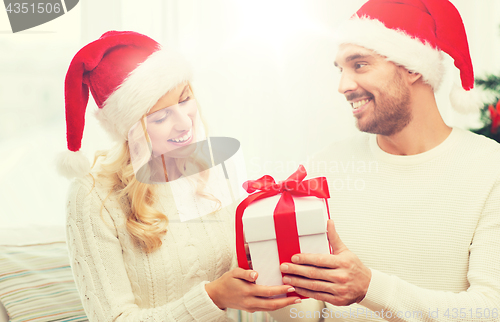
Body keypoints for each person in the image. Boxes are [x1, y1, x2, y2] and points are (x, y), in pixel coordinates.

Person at [268, 0, 500, 321]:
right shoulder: (326, 166)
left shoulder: (491, 169)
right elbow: (304, 310)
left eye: (359, 65)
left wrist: (370, 288)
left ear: (413, 67)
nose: (343, 85)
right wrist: (276, 280)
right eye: (340, 69)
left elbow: (490, 309)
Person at [58, 30, 300, 321]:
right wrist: (213, 297)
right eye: (160, 117)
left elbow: (242, 282)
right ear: (129, 129)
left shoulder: (210, 171)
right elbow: (113, 318)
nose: (185, 123)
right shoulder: (93, 197)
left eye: (185, 100)